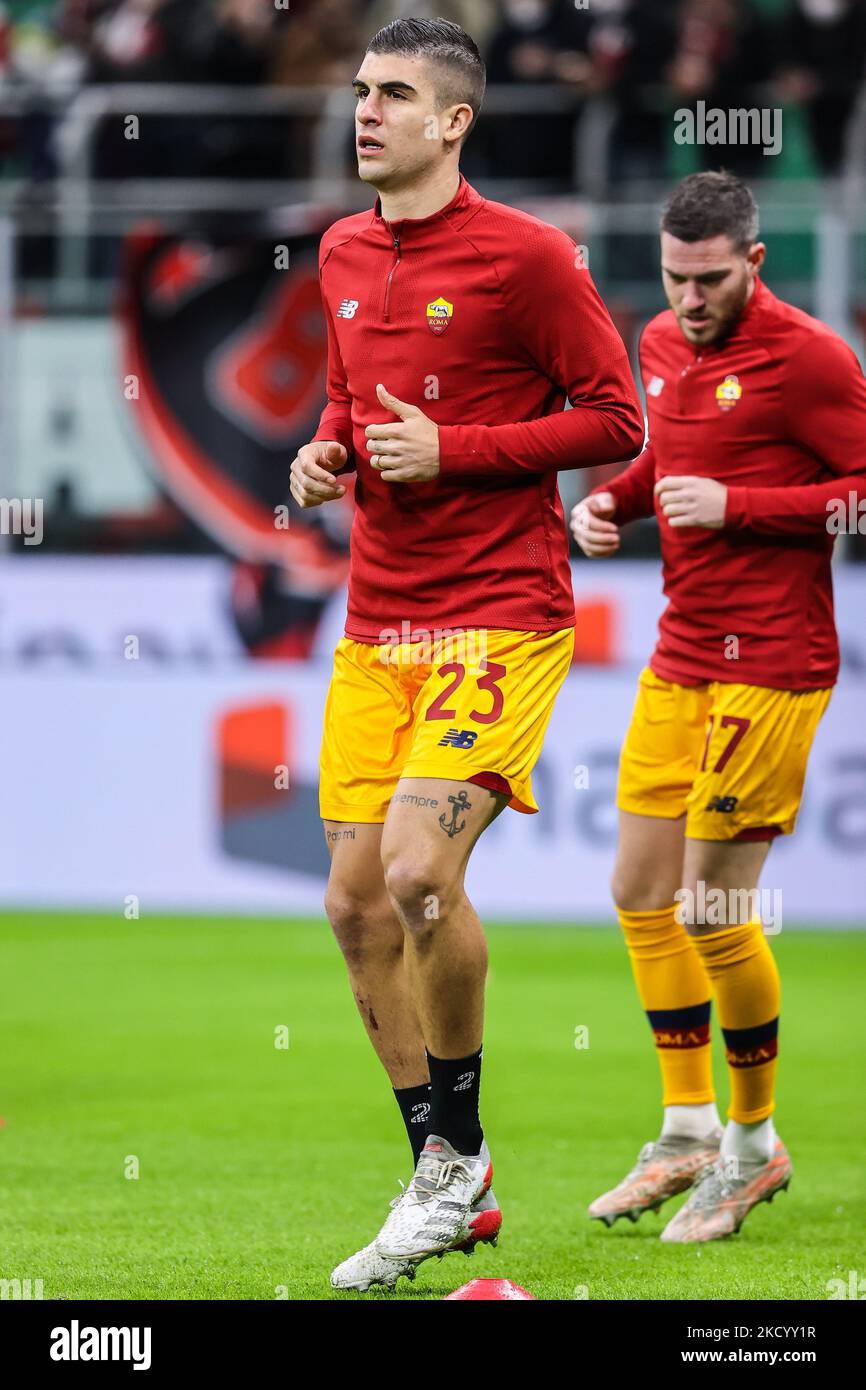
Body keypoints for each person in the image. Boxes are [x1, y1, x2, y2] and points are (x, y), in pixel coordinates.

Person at [290, 16, 643, 1290]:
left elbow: (613, 416)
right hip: (376, 619)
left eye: (393, 94)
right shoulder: (336, 249)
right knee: (349, 904)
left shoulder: (528, 258)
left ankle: (450, 1171)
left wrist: (458, 452)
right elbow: (346, 393)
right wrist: (323, 452)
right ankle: (450, 1172)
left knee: (416, 872)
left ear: (454, 122)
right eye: (360, 89)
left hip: (497, 611)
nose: (365, 110)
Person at [571, 170, 866, 1243]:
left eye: (708, 280)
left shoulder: (810, 360)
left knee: (710, 910)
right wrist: (613, 498)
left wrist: (743, 508)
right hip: (680, 652)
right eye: (672, 278)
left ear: (752, 262)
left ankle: (750, 1148)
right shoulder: (655, 342)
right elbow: (672, 459)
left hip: (773, 665)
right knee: (639, 892)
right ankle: (686, 1125)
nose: (688, 300)